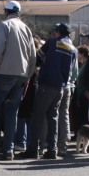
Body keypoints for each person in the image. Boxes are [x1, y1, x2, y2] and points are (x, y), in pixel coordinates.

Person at [0, 0, 36, 160]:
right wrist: (27, 76)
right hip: (21, 75)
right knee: (12, 113)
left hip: (4, 73)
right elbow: (32, 56)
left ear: (6, 11)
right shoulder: (26, 28)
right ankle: (8, 150)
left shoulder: (3, 25)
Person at [19, 23, 76, 160]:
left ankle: (33, 149)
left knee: (38, 117)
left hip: (46, 84)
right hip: (61, 86)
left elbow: (38, 58)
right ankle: (52, 150)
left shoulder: (51, 42)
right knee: (53, 118)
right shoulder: (73, 49)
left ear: (57, 32)